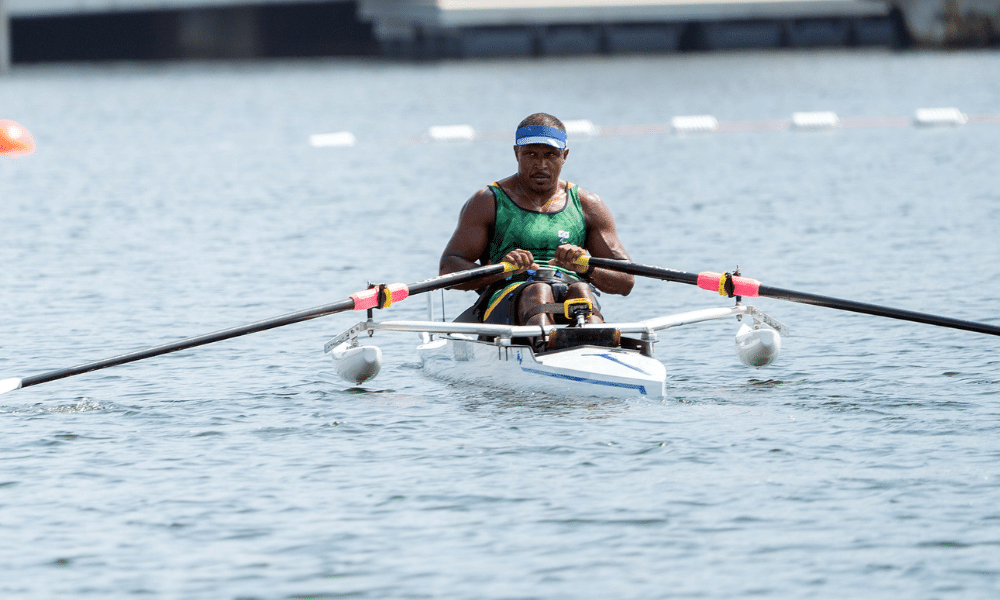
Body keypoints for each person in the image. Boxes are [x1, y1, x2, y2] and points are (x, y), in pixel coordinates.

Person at [439, 113, 633, 342]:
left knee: (581, 290)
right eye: (531, 154)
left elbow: (626, 280)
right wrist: (503, 269)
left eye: (550, 155)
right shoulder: (487, 201)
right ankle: (545, 345)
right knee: (538, 290)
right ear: (516, 153)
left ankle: (595, 342)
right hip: (506, 300)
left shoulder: (588, 204)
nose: (541, 165)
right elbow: (448, 269)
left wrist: (585, 269)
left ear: (565, 156)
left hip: (570, 292)